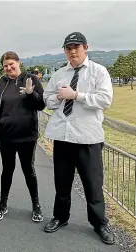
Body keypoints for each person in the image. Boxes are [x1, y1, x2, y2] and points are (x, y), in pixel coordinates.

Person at [43, 32, 114, 245]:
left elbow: (105, 99)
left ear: (85, 47)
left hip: (88, 139)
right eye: (68, 48)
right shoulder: (59, 74)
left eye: (76, 47)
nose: (72, 51)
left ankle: (100, 223)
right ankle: (60, 217)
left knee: (93, 185)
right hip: (63, 137)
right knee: (62, 183)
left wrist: (76, 95)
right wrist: (58, 96)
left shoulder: (98, 72)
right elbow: (47, 99)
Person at [0, 51, 46, 222]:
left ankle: (36, 206)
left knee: (29, 171)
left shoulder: (31, 80)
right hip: (7, 137)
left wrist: (30, 94)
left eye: (11, 64)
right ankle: (2, 205)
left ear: (18, 63)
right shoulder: (0, 84)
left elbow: (41, 105)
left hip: (27, 136)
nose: (8, 68)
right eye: (5, 65)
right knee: (7, 171)